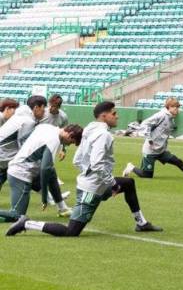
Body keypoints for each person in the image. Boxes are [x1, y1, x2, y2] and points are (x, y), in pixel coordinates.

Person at [6, 101, 163, 238]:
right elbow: (97, 164)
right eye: (114, 113)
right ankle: (27, 224)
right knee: (71, 231)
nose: (117, 116)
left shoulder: (89, 129)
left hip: (96, 183)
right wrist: (112, 184)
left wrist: (89, 174)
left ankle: (141, 223)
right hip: (92, 189)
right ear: (104, 116)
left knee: (128, 183)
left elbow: (77, 160)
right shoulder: (103, 135)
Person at [0, 124, 82, 222]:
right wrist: (44, 198)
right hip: (20, 174)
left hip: (25, 168)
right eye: (71, 142)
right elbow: (44, 169)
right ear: (70, 134)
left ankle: (62, 209)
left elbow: (25, 137)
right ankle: (56, 203)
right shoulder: (54, 140)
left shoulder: (47, 127)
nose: (69, 144)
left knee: (51, 171)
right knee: (17, 216)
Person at [123, 98, 183, 181]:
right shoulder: (161, 115)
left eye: (178, 107)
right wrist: (149, 138)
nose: (177, 109)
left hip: (161, 150)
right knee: (147, 175)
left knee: (178, 162)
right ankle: (131, 167)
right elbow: (145, 123)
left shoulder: (171, 118)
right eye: (175, 107)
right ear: (169, 107)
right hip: (150, 150)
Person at [0, 96, 46, 194]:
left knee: (29, 172)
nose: (45, 112)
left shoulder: (22, 117)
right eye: (43, 108)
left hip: (6, 154)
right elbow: (23, 143)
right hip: (5, 155)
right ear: (36, 107)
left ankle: (52, 198)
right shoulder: (28, 121)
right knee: (29, 169)